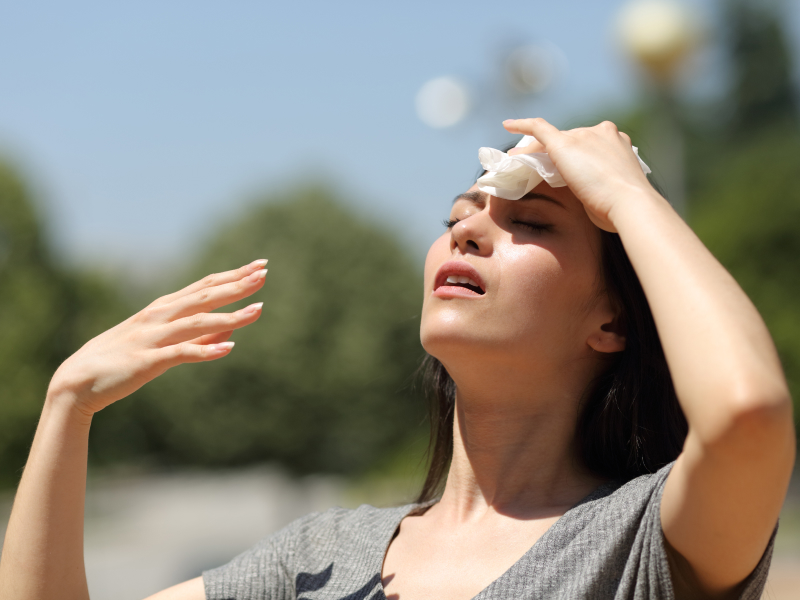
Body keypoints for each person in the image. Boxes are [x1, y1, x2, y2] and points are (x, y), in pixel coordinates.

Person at [0, 118, 794, 600]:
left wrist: (627, 192)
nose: (468, 231)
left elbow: (745, 414)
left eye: (536, 224)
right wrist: (68, 405)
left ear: (613, 320)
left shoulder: (643, 543)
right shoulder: (319, 560)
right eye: (458, 215)